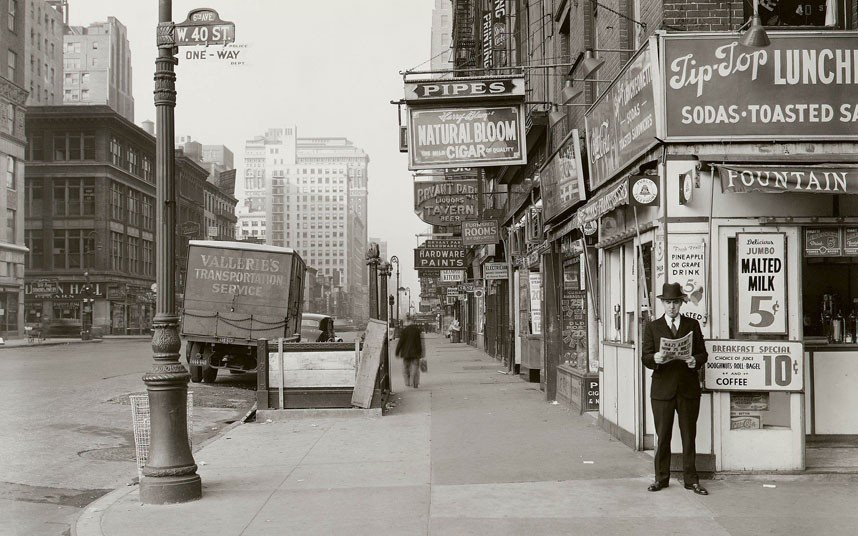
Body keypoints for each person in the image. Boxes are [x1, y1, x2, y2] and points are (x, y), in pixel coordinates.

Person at [641, 282, 709, 496]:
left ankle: (692, 480)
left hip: (687, 388)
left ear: (681, 303)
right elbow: (645, 356)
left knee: (689, 436)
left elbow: (703, 354)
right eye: (668, 302)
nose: (671, 307)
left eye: (675, 302)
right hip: (662, 390)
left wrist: (693, 361)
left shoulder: (692, 325)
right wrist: (655, 358)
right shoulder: (652, 327)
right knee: (663, 436)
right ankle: (661, 479)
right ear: (662, 303)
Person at [395, 324, 424, 388]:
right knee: (415, 367)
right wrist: (420, 353)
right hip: (415, 353)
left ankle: (407, 382)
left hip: (406, 353)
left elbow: (400, 342)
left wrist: (397, 352)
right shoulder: (417, 331)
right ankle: (415, 383)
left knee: (406, 368)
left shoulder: (404, 331)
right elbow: (419, 343)